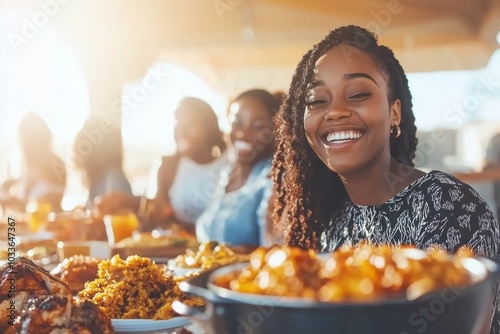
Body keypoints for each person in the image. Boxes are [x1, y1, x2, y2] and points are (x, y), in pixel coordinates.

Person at [270, 25, 499, 333]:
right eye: (317, 100)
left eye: (359, 94)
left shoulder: (447, 205)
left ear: (394, 113)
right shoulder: (325, 219)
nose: (335, 111)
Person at [96, 97, 227, 232]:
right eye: (177, 125)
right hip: (179, 249)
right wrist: (129, 203)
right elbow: (159, 214)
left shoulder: (231, 163)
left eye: (190, 125)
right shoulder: (169, 166)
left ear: (209, 127)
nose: (181, 131)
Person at [196, 89, 280, 246]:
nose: (243, 133)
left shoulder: (271, 176)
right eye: (236, 123)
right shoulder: (226, 174)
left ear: (275, 132)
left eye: (258, 126)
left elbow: (272, 249)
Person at [0, 112, 66, 211]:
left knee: (10, 224)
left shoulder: (46, 167)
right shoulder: (53, 163)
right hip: (45, 222)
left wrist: (13, 200)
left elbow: (46, 203)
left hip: (47, 223)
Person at [73, 116, 132, 208]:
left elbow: (114, 216)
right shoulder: (98, 180)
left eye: (83, 145)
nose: (76, 151)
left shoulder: (114, 180)